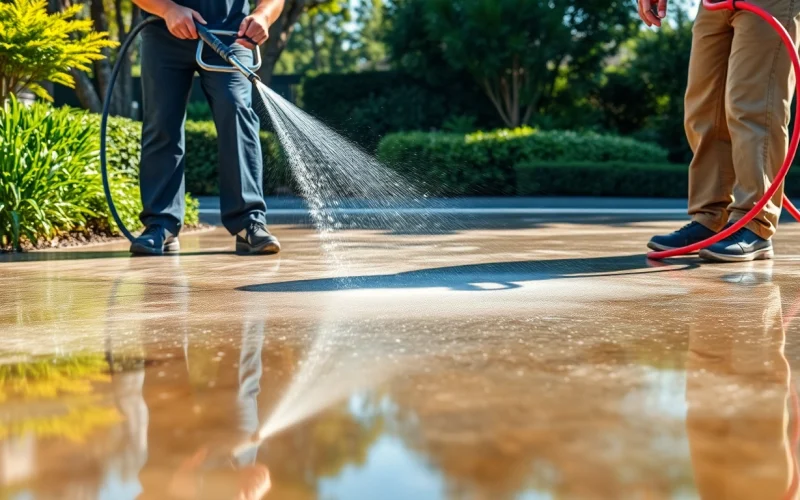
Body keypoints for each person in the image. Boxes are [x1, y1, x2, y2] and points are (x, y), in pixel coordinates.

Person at [641, 0, 800, 262]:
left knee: (752, 105)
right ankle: (710, 219)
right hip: (712, 3)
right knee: (704, 109)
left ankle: (754, 223)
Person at [130, 0, 285, 256]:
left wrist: (263, 15)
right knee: (161, 121)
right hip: (164, 31)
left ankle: (249, 221)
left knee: (236, 111)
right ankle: (161, 223)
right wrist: (168, 9)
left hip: (231, 35)